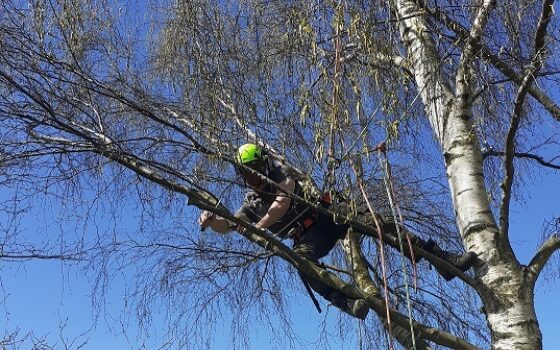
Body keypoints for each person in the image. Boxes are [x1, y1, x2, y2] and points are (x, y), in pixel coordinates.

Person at [198, 143, 476, 319]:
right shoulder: (251, 203)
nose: (253, 178)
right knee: (302, 264)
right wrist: (214, 220)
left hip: (325, 215)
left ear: (265, 165)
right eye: (247, 174)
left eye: (256, 169)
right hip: (307, 237)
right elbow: (231, 225)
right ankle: (348, 302)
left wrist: (256, 227)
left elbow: (282, 202)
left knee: (375, 222)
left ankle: (439, 259)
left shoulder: (282, 174)